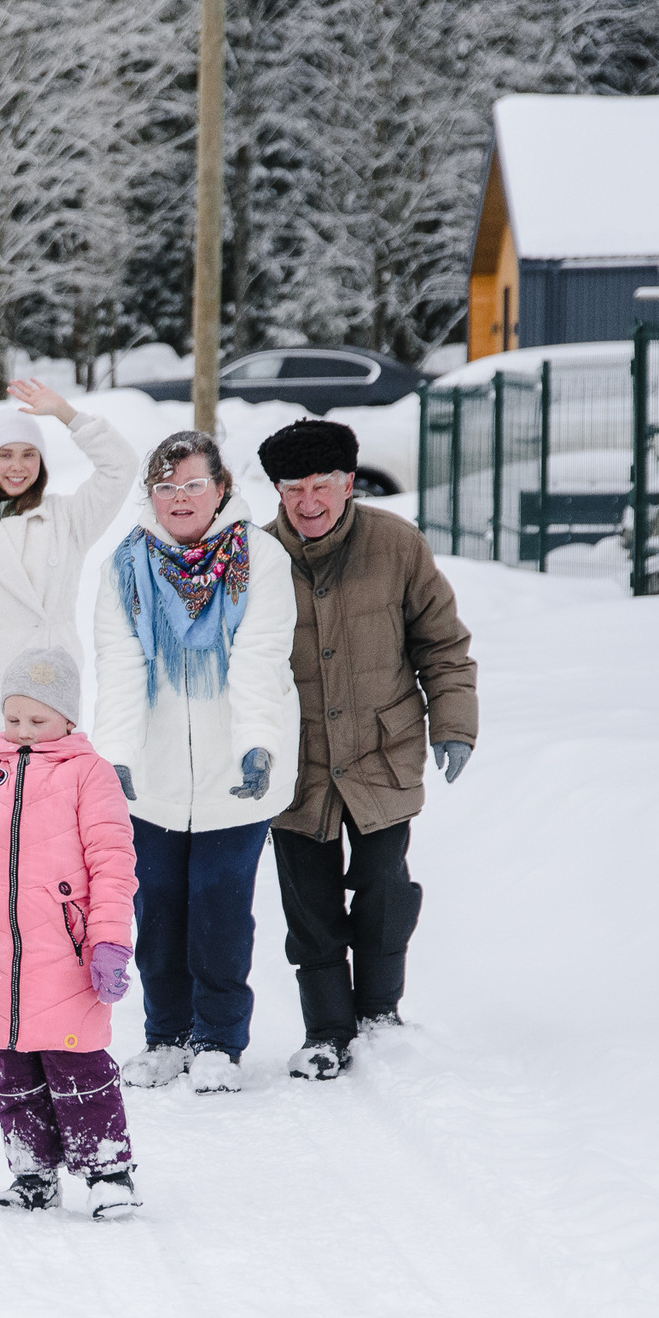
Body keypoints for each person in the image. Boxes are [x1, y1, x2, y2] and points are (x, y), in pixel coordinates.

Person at [255, 419, 478, 1080]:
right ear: (277, 492)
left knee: (383, 889)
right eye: (293, 488)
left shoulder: (396, 545)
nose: (309, 502)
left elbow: (442, 643)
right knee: (310, 907)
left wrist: (454, 723)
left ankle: (379, 1014)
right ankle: (327, 1031)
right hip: (295, 766)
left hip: (383, 751)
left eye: (321, 485)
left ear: (349, 483)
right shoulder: (257, 558)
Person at [90, 430, 299, 1093]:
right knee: (157, 913)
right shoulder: (126, 564)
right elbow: (120, 665)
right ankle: (165, 1036)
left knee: (220, 912)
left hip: (234, 776)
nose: (179, 498)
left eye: (193, 484)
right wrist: (115, 755)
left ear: (221, 488)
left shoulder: (259, 557)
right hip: (151, 779)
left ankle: (217, 1041)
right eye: (165, 486)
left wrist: (257, 743)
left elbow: (259, 657)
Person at [0, 648, 141, 1215]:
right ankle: (33, 1174)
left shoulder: (90, 775)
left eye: (37, 720)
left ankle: (108, 1173)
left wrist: (110, 941)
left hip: (67, 956)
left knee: (79, 1068)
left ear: (68, 718)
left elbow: (112, 864)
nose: (22, 731)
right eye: (13, 718)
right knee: (11, 1072)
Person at [0, 378, 139, 736]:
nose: (17, 466)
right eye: (5, 454)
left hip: (54, 691)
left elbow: (121, 467)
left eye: (29, 454)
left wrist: (67, 414)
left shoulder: (67, 519)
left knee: (56, 773)